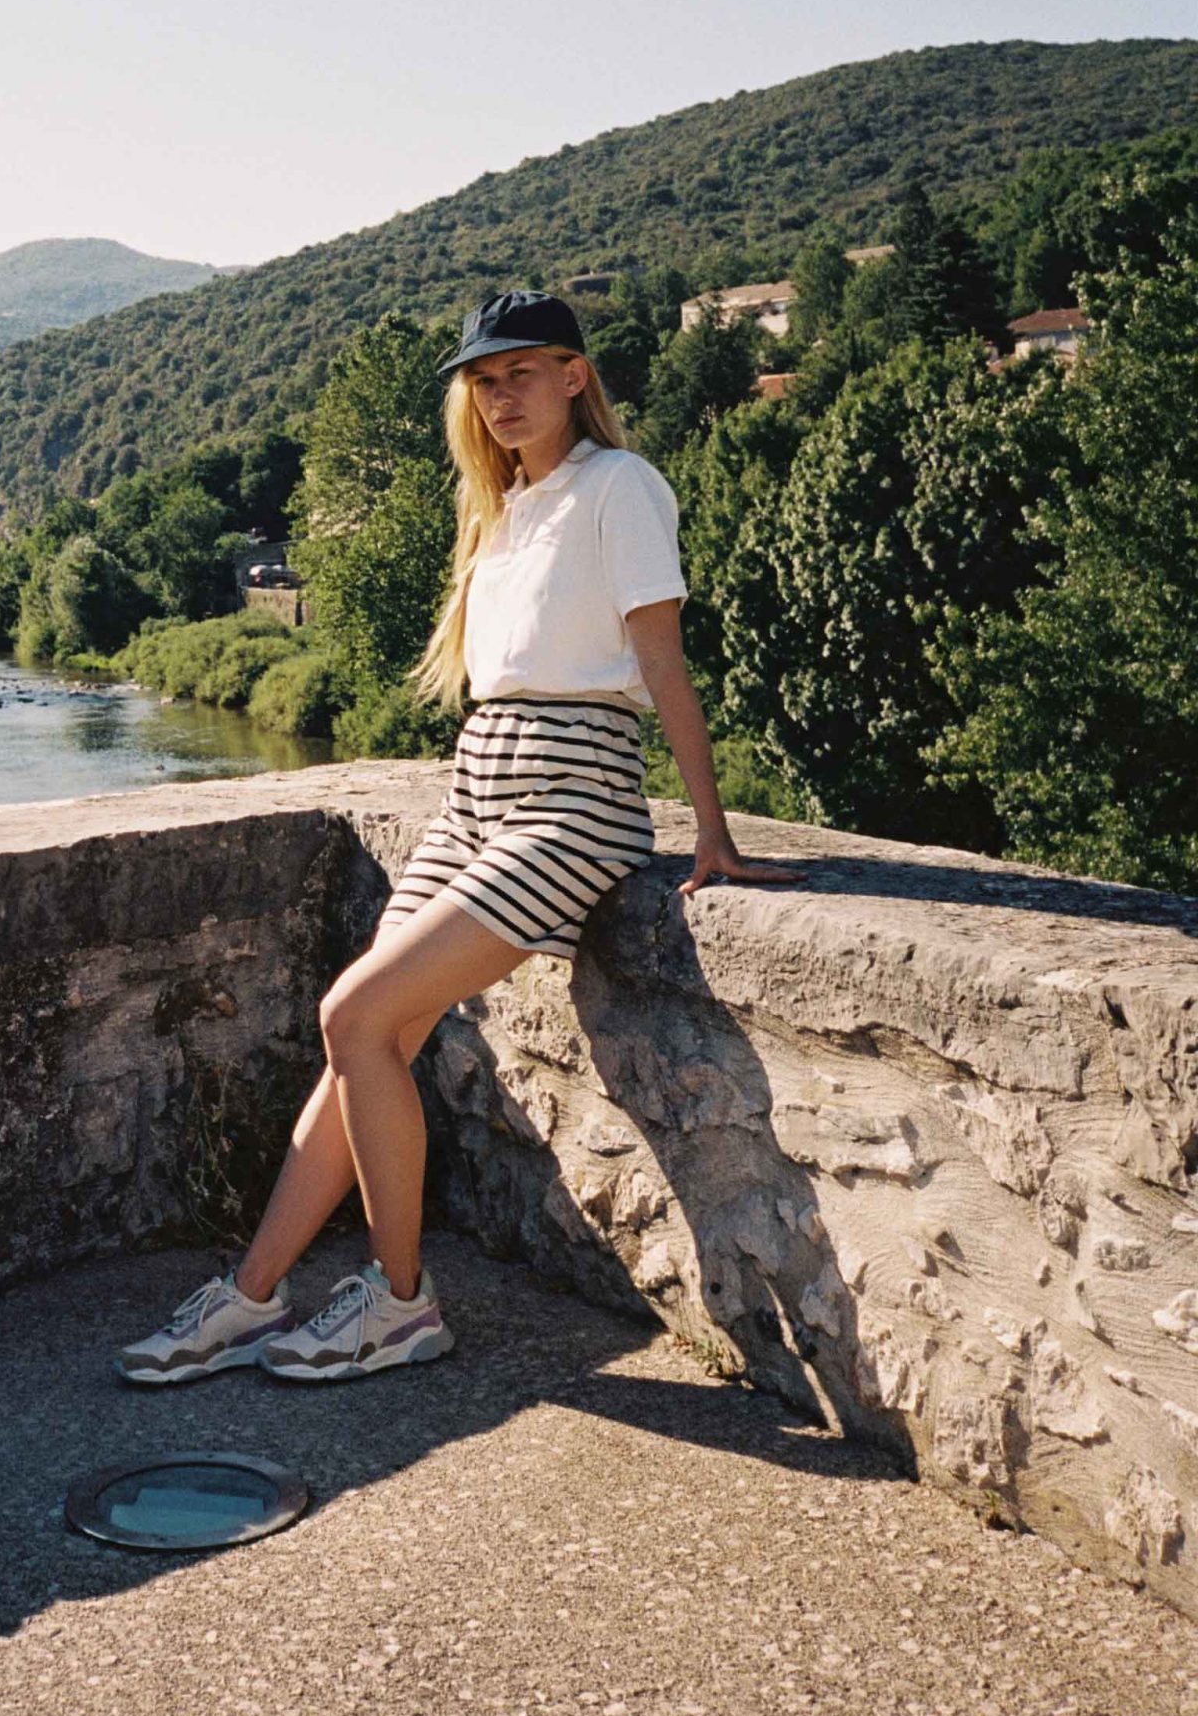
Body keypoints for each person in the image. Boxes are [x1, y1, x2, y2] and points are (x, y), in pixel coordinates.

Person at [115, 288, 794, 1386]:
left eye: (521, 371)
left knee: (352, 1013)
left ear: (574, 374)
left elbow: (661, 660)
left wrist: (709, 830)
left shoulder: (620, 486)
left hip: (574, 799)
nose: (500, 395)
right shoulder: (502, 506)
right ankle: (249, 1296)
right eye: (483, 380)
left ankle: (399, 1305)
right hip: (478, 784)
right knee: (367, 1034)